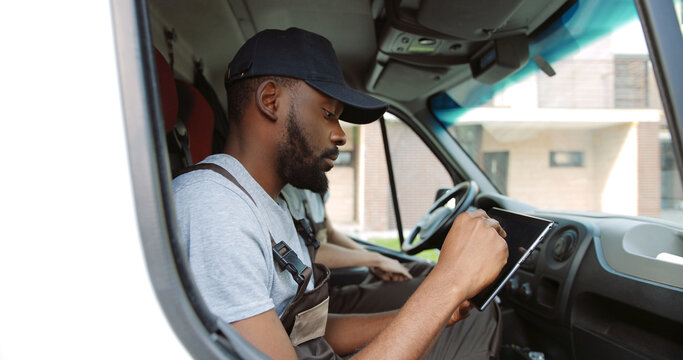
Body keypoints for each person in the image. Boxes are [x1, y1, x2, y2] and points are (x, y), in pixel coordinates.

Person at [173, 27, 508, 359]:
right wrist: (447, 284)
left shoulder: (264, 205)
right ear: (271, 101)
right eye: (329, 114)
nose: (340, 135)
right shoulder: (215, 209)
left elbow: (302, 333)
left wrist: (435, 313)